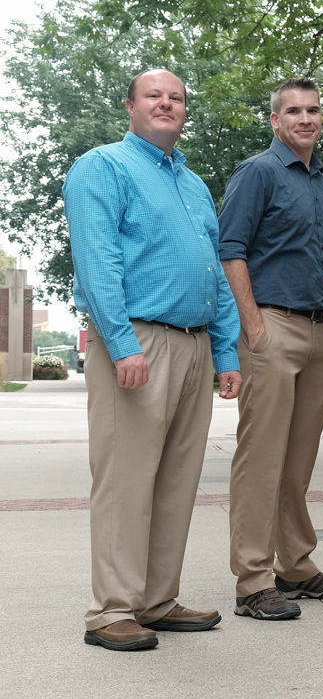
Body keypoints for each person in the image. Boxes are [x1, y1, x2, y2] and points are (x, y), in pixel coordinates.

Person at [64, 68, 241, 650]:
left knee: (175, 482)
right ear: (130, 105)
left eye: (177, 98)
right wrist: (120, 343)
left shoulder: (192, 185)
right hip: (139, 341)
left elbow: (213, 272)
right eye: (154, 96)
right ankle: (111, 609)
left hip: (193, 343)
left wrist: (224, 350)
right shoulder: (104, 167)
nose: (167, 104)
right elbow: (98, 261)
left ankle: (157, 600)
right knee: (126, 480)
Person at [219, 77, 323, 620]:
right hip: (270, 327)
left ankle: (295, 567)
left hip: (316, 334)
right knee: (261, 460)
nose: (305, 119)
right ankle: (253, 581)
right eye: (293, 111)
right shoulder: (258, 173)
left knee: (298, 462)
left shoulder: (322, 183)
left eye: (313, 110)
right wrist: (254, 330)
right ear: (275, 120)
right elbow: (231, 250)